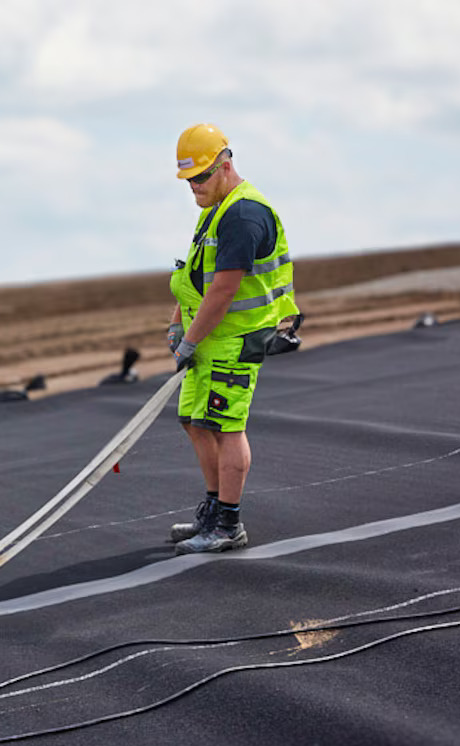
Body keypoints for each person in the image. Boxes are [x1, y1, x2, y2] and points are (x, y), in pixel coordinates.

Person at [166, 124, 298, 555]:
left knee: (225, 427)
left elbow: (224, 290)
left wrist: (189, 342)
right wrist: (176, 324)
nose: (194, 188)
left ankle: (227, 523)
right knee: (194, 420)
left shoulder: (243, 215)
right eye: (189, 181)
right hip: (209, 339)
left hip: (234, 340)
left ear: (226, 165)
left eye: (201, 177)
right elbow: (194, 276)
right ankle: (211, 508)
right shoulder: (216, 210)